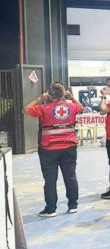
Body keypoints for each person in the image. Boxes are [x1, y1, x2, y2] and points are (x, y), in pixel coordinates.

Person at [23, 82, 82, 217]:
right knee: (70, 176)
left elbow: (25, 109)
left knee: (50, 179)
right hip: (69, 148)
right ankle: (73, 205)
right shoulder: (72, 107)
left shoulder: (43, 108)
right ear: (63, 94)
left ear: (49, 94)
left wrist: (40, 98)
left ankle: (51, 208)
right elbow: (81, 107)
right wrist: (71, 97)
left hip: (49, 149)